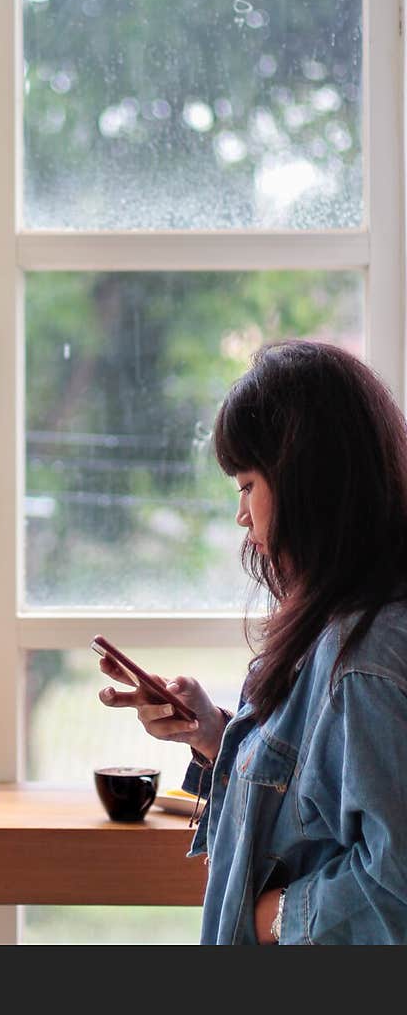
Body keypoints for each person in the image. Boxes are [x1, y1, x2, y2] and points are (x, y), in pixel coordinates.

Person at [97, 339, 407, 945]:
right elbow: (315, 805)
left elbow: (395, 887)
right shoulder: (339, 626)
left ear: (305, 482)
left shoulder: (365, 660)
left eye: (245, 484)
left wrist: (271, 917)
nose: (242, 515)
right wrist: (214, 734)